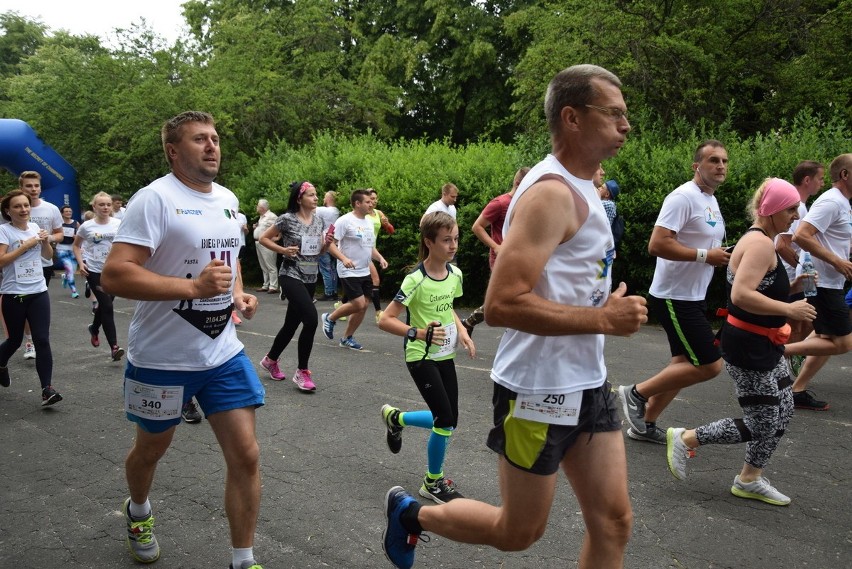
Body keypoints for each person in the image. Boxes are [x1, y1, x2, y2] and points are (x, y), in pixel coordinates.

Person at [382, 64, 647, 569]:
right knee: (519, 531)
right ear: (572, 117)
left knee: (614, 522)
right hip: (537, 389)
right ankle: (411, 514)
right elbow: (503, 305)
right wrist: (604, 320)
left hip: (589, 381)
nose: (625, 125)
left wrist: (599, 302)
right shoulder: (550, 192)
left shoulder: (588, 186)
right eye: (614, 113)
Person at [101, 111, 265, 569]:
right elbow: (115, 274)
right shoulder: (154, 199)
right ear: (174, 150)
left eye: (215, 138)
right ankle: (138, 513)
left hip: (221, 352)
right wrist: (193, 289)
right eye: (199, 139)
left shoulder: (229, 199)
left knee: (246, 454)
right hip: (162, 358)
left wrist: (237, 296)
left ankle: (243, 559)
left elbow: (225, 261)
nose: (212, 146)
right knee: (151, 450)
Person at [666, 178, 816, 505]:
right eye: (791, 209)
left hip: (764, 344)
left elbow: (758, 289)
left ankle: (750, 478)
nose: (795, 215)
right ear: (774, 210)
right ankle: (687, 438)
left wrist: (791, 288)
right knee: (762, 422)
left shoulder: (761, 240)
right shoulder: (761, 244)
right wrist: (789, 307)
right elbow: (741, 294)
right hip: (748, 346)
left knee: (784, 408)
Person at [617, 140, 731, 444]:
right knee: (709, 364)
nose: (721, 166)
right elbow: (657, 244)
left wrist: (719, 255)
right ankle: (635, 393)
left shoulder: (710, 199)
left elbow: (701, 243)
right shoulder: (683, 197)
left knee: (683, 364)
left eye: (724, 161)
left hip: (693, 294)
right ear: (697, 166)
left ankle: (645, 425)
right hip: (674, 295)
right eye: (713, 161)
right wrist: (706, 256)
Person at [378, 211, 475, 504]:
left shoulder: (455, 274)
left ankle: (396, 418)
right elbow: (385, 319)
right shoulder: (415, 280)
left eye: (456, 238)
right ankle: (432, 483)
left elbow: (447, 309)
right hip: (420, 355)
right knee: (444, 419)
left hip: (445, 353)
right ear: (429, 242)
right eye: (447, 240)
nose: (453, 245)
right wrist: (417, 333)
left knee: (449, 418)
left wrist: (463, 331)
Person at [783, 153, 852, 410]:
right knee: (843, 342)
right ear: (844, 175)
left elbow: (832, 239)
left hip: (830, 281)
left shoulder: (844, 203)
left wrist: (844, 256)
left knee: (824, 336)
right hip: (820, 279)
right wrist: (837, 262)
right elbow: (801, 236)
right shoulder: (831, 201)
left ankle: (796, 390)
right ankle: (776, 353)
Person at [257, 181, 329, 392]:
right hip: (290, 275)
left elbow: (319, 252)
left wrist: (326, 245)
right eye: (311, 195)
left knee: (290, 325)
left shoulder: (319, 221)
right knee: (311, 319)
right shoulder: (286, 219)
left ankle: (270, 360)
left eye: (317, 195)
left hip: (310, 277)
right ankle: (302, 372)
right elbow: (263, 238)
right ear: (299, 198)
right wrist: (283, 250)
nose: (316, 198)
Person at [0, 190, 61, 405]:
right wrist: (25, 245)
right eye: (17, 206)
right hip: (13, 293)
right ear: (8, 211)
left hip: (38, 291)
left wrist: (45, 242)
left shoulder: (35, 228)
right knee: (15, 340)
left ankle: (47, 389)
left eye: (26, 205)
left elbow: (47, 257)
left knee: (42, 340)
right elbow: (1, 261)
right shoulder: (4, 231)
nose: (23, 209)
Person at [463, 167, 530, 336]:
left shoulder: (525, 203)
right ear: (517, 183)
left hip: (519, 259)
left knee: (511, 297)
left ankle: (470, 322)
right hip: (501, 260)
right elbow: (477, 227)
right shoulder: (500, 203)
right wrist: (496, 247)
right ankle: (510, 334)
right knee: (504, 298)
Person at [773, 161, 825, 379]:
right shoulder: (798, 205)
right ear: (807, 180)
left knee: (806, 322)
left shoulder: (799, 205)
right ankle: (779, 370)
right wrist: (803, 266)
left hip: (796, 276)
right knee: (794, 325)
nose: (822, 184)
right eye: (820, 179)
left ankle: (784, 365)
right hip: (791, 276)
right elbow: (781, 244)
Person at [321, 189, 388, 350]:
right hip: (348, 270)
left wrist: (380, 258)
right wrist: (343, 259)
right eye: (367, 202)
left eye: (371, 202)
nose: (371, 203)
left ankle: (347, 337)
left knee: (364, 304)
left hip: (364, 269)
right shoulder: (345, 221)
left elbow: (369, 246)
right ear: (357, 204)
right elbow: (330, 244)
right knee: (358, 303)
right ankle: (330, 318)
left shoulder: (368, 222)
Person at [73, 192, 125, 361]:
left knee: (105, 306)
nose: (105, 207)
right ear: (94, 207)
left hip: (114, 270)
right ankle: (114, 347)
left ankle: (94, 329)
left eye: (108, 204)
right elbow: (76, 246)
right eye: (101, 204)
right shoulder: (86, 226)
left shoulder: (119, 223)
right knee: (107, 306)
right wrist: (81, 263)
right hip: (94, 271)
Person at [18, 171, 63, 360]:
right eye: (29, 186)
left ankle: (39, 339)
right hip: (19, 265)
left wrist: (47, 238)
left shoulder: (51, 209)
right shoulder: (14, 208)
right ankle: (29, 341)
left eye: (36, 185)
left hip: (43, 262)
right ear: (22, 188)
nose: (33, 189)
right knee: (24, 306)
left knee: (38, 304)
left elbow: (60, 234)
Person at [366, 188, 394, 322]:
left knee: (361, 282)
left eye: (376, 199)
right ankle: (378, 313)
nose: (374, 201)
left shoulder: (378, 213)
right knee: (375, 280)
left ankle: (341, 304)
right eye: (371, 199)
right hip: (363, 251)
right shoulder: (361, 214)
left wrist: (387, 224)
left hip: (373, 250)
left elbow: (390, 231)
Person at [315, 190, 340, 300]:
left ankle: (328, 292)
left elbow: (308, 208)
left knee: (325, 268)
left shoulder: (325, 211)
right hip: (334, 241)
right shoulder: (336, 211)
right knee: (333, 268)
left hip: (325, 241)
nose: (323, 199)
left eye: (325, 197)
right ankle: (334, 292)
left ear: (329, 199)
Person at [253, 199, 279, 295]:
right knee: (264, 265)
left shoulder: (271, 216)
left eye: (258, 206)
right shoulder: (262, 217)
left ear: (262, 207)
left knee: (270, 265)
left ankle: (273, 286)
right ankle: (266, 285)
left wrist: (277, 238)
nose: (257, 208)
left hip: (267, 243)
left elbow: (280, 227)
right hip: (259, 243)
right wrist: (257, 228)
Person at [56, 205, 80, 298]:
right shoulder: (59, 224)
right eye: (66, 211)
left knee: (72, 271)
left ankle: (65, 277)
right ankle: (74, 291)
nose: (68, 213)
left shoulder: (76, 223)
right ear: (62, 213)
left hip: (73, 248)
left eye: (70, 211)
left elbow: (81, 236)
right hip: (61, 248)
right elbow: (54, 235)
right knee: (69, 269)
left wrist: (76, 237)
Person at [231, 207, 249, 326]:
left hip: (238, 247)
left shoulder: (241, 216)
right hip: (226, 250)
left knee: (237, 274)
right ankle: (232, 312)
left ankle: (233, 311)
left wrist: (245, 229)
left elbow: (246, 231)